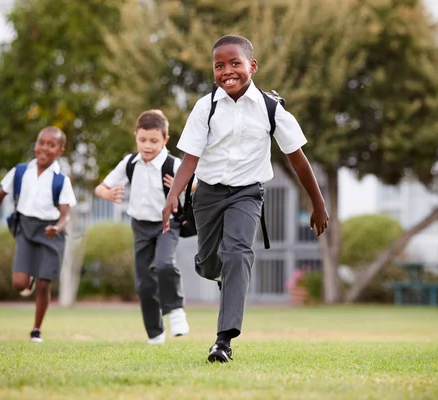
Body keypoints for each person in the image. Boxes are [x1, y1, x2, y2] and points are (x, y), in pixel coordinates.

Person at [162, 35, 329, 363]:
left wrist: (318, 203)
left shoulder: (271, 109)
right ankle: (218, 272)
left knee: (238, 253)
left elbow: (297, 159)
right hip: (207, 195)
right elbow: (190, 158)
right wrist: (173, 195)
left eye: (235, 63)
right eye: (219, 66)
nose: (227, 71)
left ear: (252, 66)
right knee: (210, 264)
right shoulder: (205, 107)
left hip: (247, 194)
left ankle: (222, 342)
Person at [95, 110, 190, 344]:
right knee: (144, 284)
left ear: (165, 140)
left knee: (165, 264)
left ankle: (176, 310)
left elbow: (196, 184)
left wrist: (181, 186)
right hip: (140, 227)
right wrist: (108, 193)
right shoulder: (129, 162)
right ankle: (155, 334)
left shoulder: (172, 164)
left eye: (154, 141)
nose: (147, 146)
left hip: (167, 223)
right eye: (143, 140)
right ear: (136, 136)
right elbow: (100, 187)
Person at [0, 126, 77, 342]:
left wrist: (57, 228)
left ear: (60, 150)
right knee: (19, 284)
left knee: (44, 284)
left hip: (51, 232)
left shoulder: (61, 180)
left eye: (51, 145)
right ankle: (29, 279)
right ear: (35, 145)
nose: (44, 148)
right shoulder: (20, 171)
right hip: (25, 228)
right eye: (41, 142)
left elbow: (65, 216)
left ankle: (36, 330)